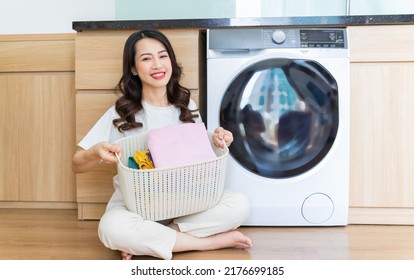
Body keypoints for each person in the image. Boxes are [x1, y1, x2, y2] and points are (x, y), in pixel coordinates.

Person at [72, 29, 253, 260]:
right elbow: (77, 164)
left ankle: (162, 238)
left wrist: (218, 140)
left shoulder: (187, 106)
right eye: (146, 59)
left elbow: (203, 157)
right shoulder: (122, 113)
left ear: (171, 62)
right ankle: (206, 243)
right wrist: (96, 151)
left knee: (239, 205)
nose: (157, 65)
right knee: (110, 228)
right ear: (134, 69)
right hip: (136, 209)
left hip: (187, 203)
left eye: (163, 56)